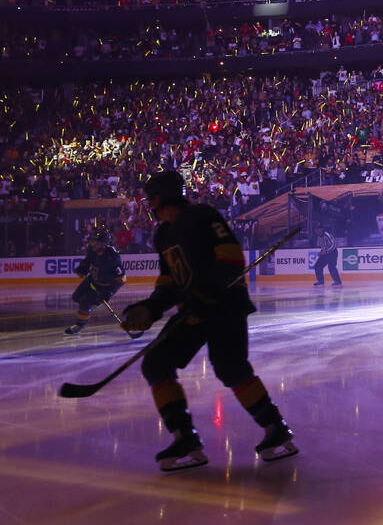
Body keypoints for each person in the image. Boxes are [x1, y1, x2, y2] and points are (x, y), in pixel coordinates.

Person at [121, 170, 297, 471]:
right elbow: (168, 282)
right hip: (194, 310)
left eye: (151, 196)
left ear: (162, 196)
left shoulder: (202, 216)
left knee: (231, 368)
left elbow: (230, 257)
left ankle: (276, 429)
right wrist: (151, 308)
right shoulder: (163, 235)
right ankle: (185, 438)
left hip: (225, 305)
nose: (148, 202)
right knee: (156, 363)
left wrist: (208, 290)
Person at [64, 228, 126, 335]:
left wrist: (108, 293)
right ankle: (89, 307)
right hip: (91, 280)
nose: (92, 244)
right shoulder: (92, 250)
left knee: (84, 303)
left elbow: (122, 278)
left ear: (104, 244)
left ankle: (79, 324)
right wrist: (82, 268)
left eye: (95, 242)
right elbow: (88, 261)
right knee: (76, 297)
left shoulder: (112, 257)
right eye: (92, 241)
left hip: (104, 287)